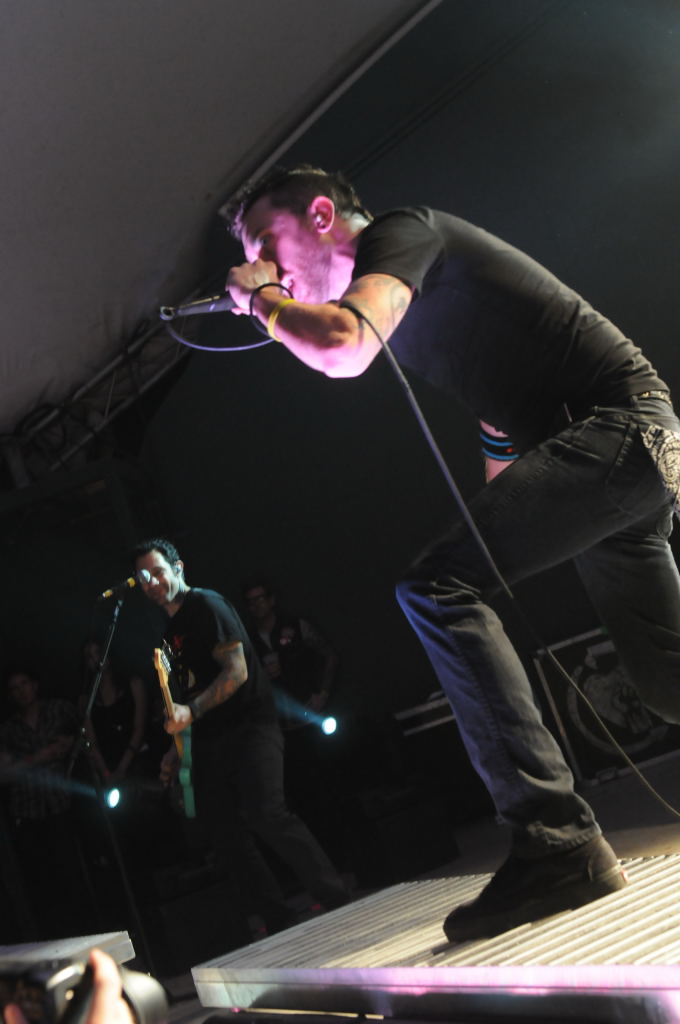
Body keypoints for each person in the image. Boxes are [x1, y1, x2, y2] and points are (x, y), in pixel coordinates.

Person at [220, 163, 680, 941]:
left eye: (267, 240)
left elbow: (343, 349)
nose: (263, 262)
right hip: (633, 448)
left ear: (322, 215)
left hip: (621, 431)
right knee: (669, 682)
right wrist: (507, 513)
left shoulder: (403, 233)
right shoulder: (410, 293)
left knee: (434, 586)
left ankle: (557, 841)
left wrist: (263, 300)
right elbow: (501, 407)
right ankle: (558, 843)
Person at [131, 538, 349, 937]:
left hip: (250, 725)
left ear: (178, 568)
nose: (151, 582)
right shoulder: (170, 633)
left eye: (157, 572)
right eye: (143, 577)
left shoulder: (206, 605)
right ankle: (277, 919)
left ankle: (335, 896)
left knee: (267, 813)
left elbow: (237, 671)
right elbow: (187, 697)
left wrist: (192, 711)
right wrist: (174, 751)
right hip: (211, 739)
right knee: (224, 832)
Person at [0, 669, 86, 938]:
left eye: (24, 684)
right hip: (29, 812)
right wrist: (40, 756)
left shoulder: (58, 709)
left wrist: (69, 744)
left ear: (35, 685)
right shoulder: (9, 730)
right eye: (14, 688)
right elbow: (4, 772)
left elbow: (84, 736)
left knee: (74, 873)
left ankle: (86, 927)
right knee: (43, 882)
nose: (21, 691)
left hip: (63, 804)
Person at [79, 641, 149, 786]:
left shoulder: (134, 684)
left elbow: (139, 729)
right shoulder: (87, 699)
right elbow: (92, 741)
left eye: (98, 652)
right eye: (89, 656)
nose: (95, 659)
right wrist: (106, 773)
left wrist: (122, 768)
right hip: (106, 764)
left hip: (135, 761)